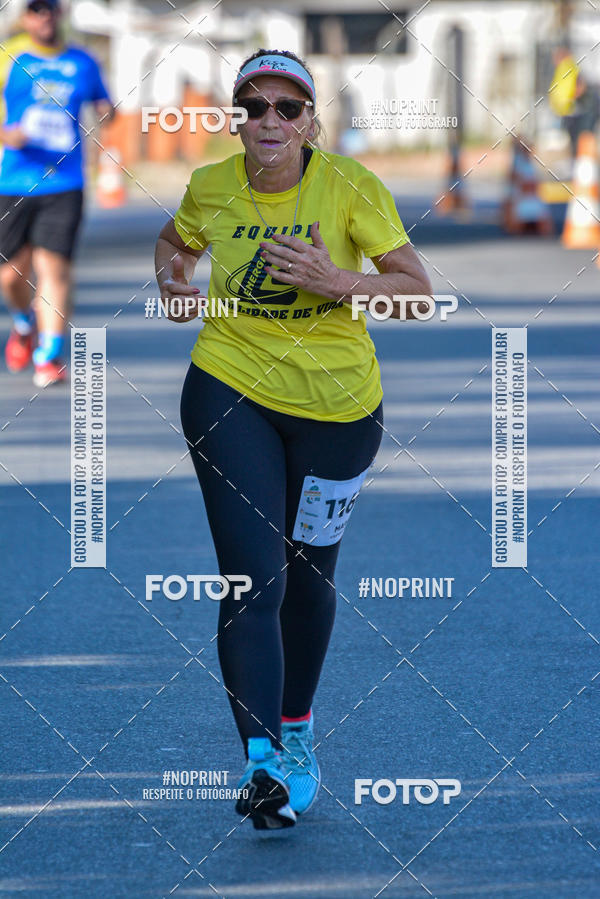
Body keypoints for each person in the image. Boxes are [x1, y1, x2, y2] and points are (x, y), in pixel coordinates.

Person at [154, 49, 432, 830]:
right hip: (227, 386)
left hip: (339, 412)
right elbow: (174, 242)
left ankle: (300, 727)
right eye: (253, 106)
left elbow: (417, 293)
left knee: (307, 576)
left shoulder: (348, 187)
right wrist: (173, 282)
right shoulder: (212, 184)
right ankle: (264, 760)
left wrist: (340, 282)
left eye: (287, 106)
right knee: (256, 579)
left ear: (311, 121)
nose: (269, 120)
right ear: (234, 118)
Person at [0, 0, 113, 386]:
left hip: (64, 182)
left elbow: (104, 104)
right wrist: (6, 135)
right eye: (35, 9)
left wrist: (106, 110)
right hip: (14, 181)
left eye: (50, 8)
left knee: (54, 268)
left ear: (60, 13)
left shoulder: (83, 60)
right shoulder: (9, 56)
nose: (44, 15)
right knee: (11, 275)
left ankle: (48, 356)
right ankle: (23, 323)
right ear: (25, 17)